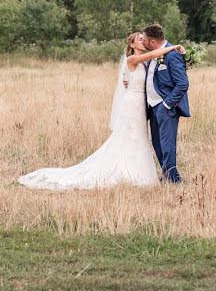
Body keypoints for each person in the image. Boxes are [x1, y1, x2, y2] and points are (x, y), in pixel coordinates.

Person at [17, 31, 185, 191]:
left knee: (139, 137)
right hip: (132, 104)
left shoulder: (146, 63)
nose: (144, 41)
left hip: (142, 105)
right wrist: (172, 47)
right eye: (140, 39)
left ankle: (139, 170)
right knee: (130, 136)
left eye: (144, 38)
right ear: (132, 44)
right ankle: (126, 172)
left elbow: (152, 76)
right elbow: (151, 55)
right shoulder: (133, 58)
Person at [141, 23, 190, 184]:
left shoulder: (172, 55)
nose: (144, 43)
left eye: (145, 40)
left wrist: (166, 104)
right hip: (152, 107)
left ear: (153, 42)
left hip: (166, 107)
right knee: (157, 144)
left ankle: (173, 179)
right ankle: (167, 174)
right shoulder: (154, 55)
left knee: (167, 144)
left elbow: (182, 83)